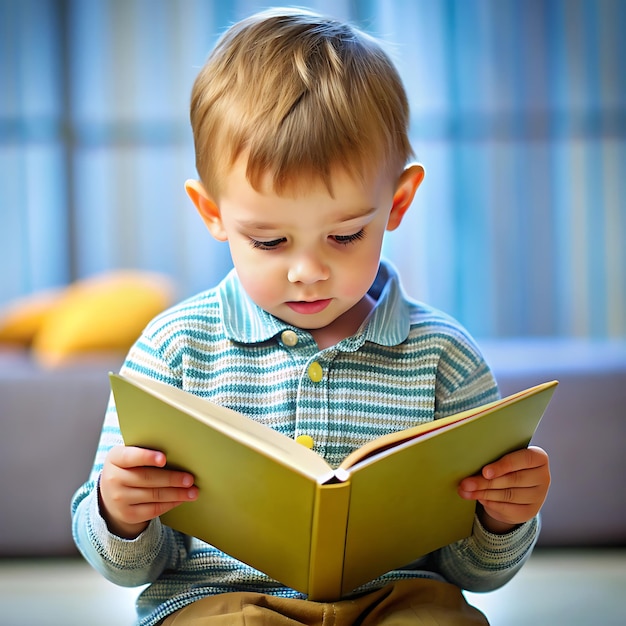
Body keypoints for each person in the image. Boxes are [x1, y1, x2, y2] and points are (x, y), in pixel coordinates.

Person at [71, 8, 550, 625]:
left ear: (397, 202)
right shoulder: (176, 349)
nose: (307, 272)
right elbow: (125, 564)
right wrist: (120, 512)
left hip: (398, 601)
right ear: (212, 212)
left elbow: (473, 576)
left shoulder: (443, 357)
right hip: (220, 602)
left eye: (346, 235)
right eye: (269, 242)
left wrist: (501, 519)